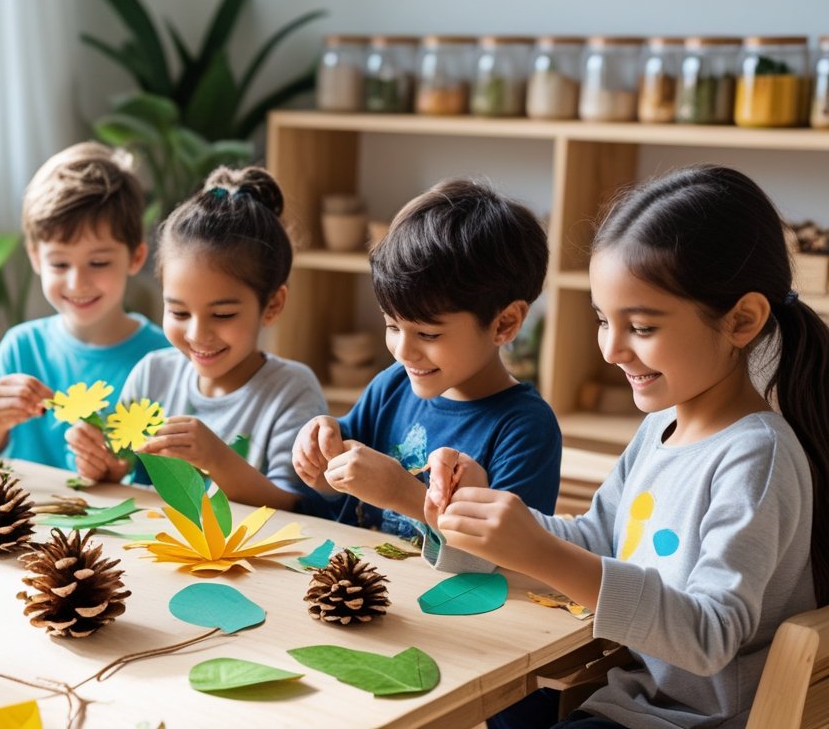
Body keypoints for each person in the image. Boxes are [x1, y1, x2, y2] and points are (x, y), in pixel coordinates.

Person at [428, 165, 828, 728]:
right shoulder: (661, 428)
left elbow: (708, 635)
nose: (611, 349)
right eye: (602, 319)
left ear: (741, 320)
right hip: (628, 704)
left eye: (640, 326)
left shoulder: (757, 457)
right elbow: (597, 540)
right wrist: (482, 522)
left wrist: (542, 553)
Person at [292, 178, 561, 573]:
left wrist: (401, 492)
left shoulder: (526, 429)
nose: (403, 350)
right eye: (392, 326)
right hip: (360, 594)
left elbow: (510, 565)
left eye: (428, 334)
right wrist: (319, 462)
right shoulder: (392, 386)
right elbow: (329, 503)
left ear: (504, 323)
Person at [68, 166, 330, 514]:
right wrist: (103, 465)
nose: (196, 334)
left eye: (222, 315)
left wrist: (217, 459)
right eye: (178, 313)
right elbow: (124, 469)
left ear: (272, 305)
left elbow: (298, 507)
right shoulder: (153, 374)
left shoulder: (292, 390)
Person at [0, 142, 169, 470]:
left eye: (98, 262)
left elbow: (171, 476)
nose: (77, 282)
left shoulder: (163, 359)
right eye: (59, 264)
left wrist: (118, 470)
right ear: (36, 258)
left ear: (136, 257)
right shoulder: (22, 347)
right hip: (25, 517)